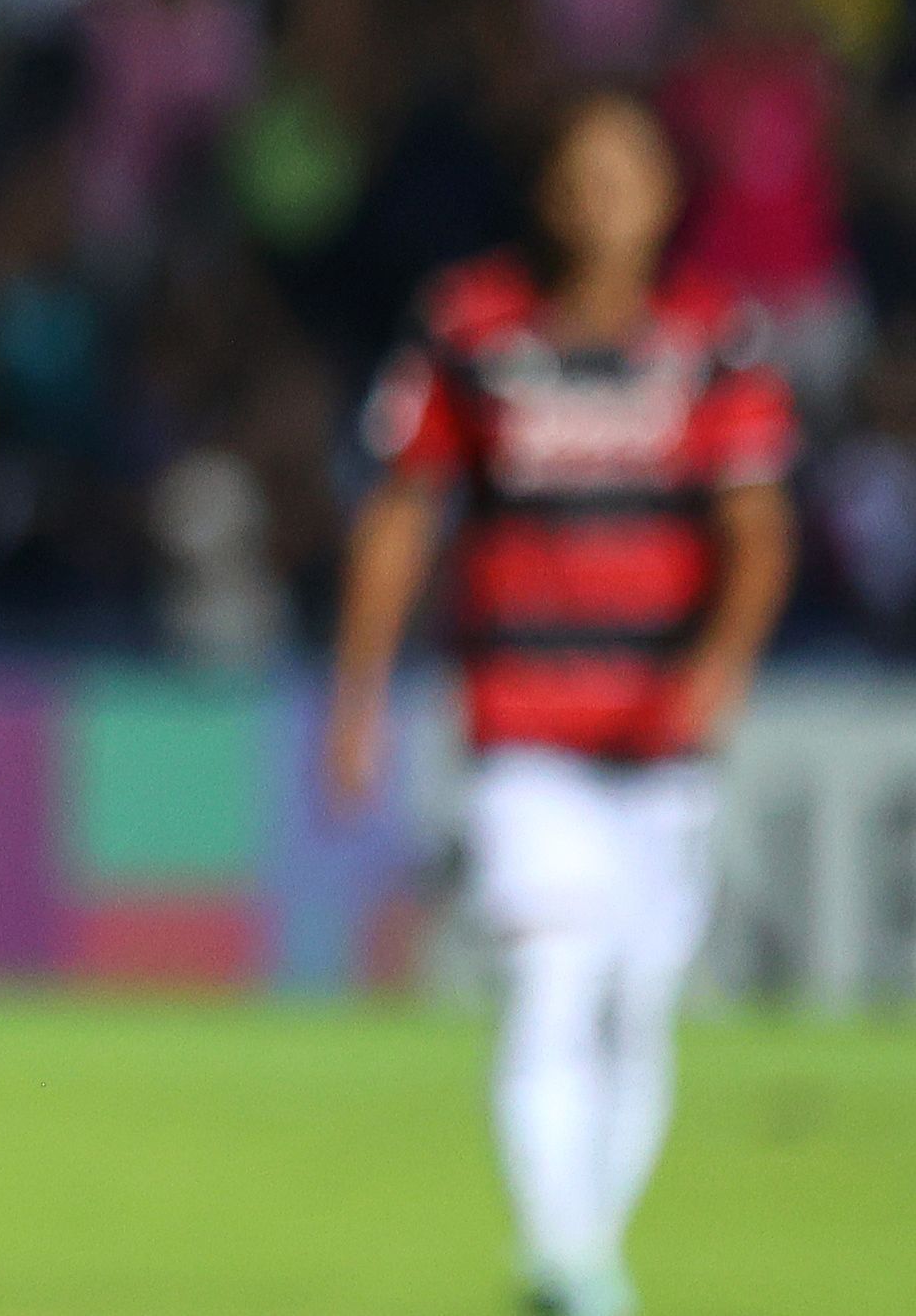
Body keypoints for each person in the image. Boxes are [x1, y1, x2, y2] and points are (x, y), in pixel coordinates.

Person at [325, 91, 795, 1316]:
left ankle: (584, 1243)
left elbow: (756, 528)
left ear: (664, 191)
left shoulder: (711, 336)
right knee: (550, 978)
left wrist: (722, 663)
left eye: (626, 170)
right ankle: (572, 1262)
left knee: (635, 1005)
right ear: (546, 188)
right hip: (521, 720)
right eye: (580, 170)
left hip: (659, 731)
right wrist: (357, 696)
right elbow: (398, 513)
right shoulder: (472, 323)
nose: (602, 194)